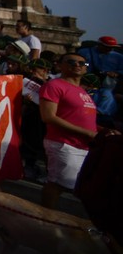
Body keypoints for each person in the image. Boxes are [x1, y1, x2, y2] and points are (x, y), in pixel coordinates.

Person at [39, 53, 99, 210]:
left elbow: (85, 121)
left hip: (84, 146)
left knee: (72, 185)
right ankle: (45, 218)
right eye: (72, 62)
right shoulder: (54, 85)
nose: (78, 65)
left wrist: (103, 131)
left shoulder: (83, 92)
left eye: (82, 63)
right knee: (57, 184)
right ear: (60, 66)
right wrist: (87, 133)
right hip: (63, 143)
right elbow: (48, 117)